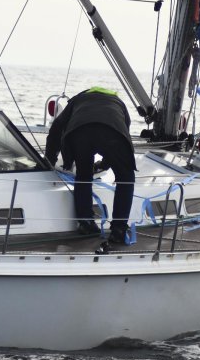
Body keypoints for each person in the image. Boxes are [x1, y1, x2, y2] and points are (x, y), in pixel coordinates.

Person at [44, 87, 136, 245]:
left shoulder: (78, 100)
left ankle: (86, 222)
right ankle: (118, 230)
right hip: (112, 131)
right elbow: (122, 135)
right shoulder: (118, 103)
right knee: (125, 178)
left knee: (83, 174)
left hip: (80, 132)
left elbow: (57, 127)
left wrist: (49, 160)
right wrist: (106, 164)